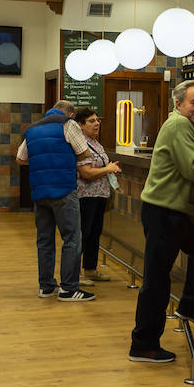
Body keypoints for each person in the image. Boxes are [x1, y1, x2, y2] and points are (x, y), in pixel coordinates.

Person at [130, 80, 194, 363]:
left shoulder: (186, 125)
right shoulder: (179, 125)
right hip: (164, 211)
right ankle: (143, 344)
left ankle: (190, 305)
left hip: (173, 211)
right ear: (179, 103)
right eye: (193, 103)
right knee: (157, 279)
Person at [16, 100, 95, 301]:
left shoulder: (32, 129)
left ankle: (46, 286)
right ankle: (68, 288)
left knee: (44, 239)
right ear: (68, 113)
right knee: (72, 238)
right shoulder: (68, 125)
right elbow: (84, 151)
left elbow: (20, 158)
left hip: (40, 192)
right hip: (63, 189)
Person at [73, 107, 122, 285]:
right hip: (85, 196)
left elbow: (99, 167)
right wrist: (107, 169)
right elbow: (86, 173)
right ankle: (75, 274)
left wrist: (110, 168)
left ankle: (91, 269)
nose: (96, 124)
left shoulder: (96, 143)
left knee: (94, 233)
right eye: (91, 121)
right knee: (83, 234)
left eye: (97, 120)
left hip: (99, 195)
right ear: (80, 125)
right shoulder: (81, 144)